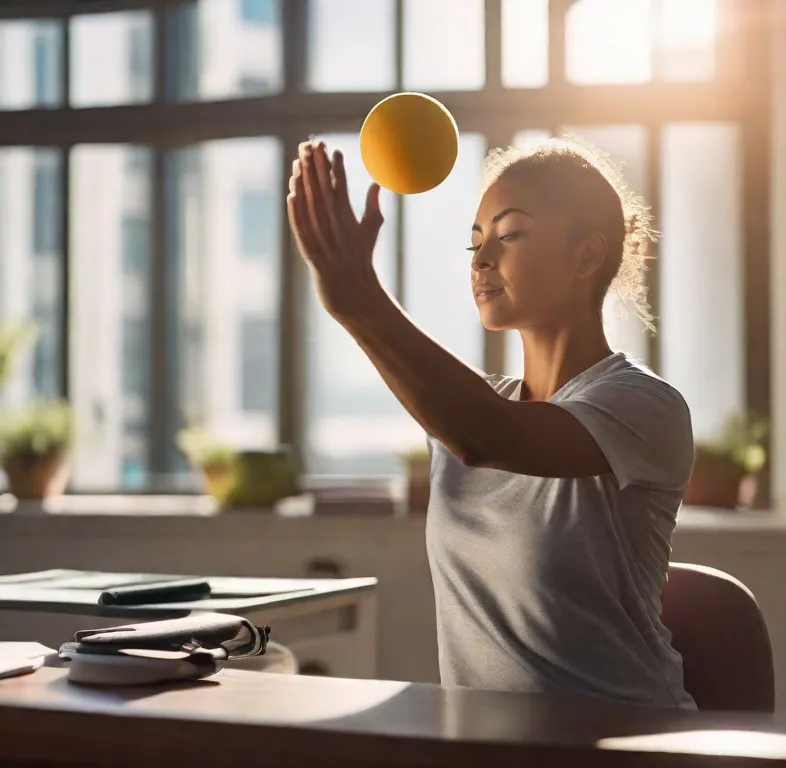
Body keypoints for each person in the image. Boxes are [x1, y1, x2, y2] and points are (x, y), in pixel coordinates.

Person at [287, 134, 696, 709]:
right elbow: (469, 419)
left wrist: (358, 298)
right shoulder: (463, 411)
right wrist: (350, 299)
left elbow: (486, 436)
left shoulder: (644, 407)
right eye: (476, 242)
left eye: (509, 235)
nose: (481, 259)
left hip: (620, 746)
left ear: (587, 255)